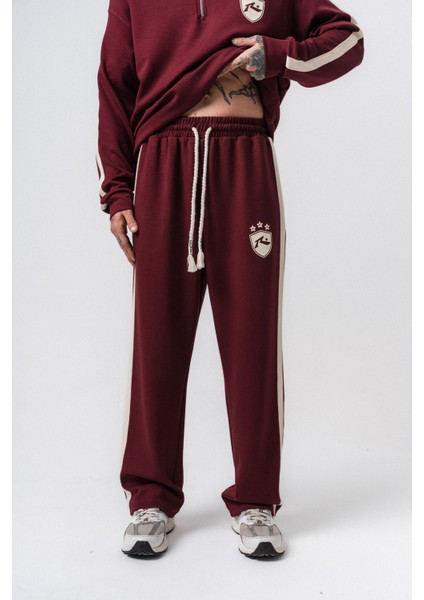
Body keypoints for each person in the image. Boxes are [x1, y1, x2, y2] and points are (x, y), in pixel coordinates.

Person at [96, 0, 364, 559]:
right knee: (156, 342)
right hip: (163, 161)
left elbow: (347, 41)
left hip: (244, 159)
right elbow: (114, 88)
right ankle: (151, 498)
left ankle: (256, 501)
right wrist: (118, 192)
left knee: (252, 341)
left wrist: (279, 55)